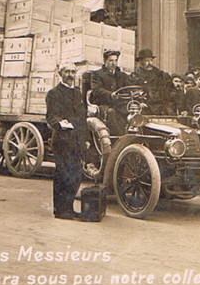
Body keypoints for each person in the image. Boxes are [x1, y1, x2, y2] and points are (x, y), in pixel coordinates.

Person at [46, 63, 89, 220]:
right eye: (67, 72)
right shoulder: (54, 94)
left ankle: (69, 208)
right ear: (60, 73)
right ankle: (60, 210)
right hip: (63, 140)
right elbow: (51, 116)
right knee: (63, 175)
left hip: (77, 140)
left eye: (72, 72)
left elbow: (83, 119)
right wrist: (60, 123)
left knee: (76, 175)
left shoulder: (77, 94)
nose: (70, 75)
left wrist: (86, 140)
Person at [89, 50, 134, 135]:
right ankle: (119, 138)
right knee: (111, 112)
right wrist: (110, 95)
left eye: (115, 60)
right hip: (104, 104)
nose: (114, 63)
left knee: (134, 111)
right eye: (111, 60)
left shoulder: (122, 75)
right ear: (105, 61)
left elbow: (129, 88)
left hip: (120, 104)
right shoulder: (97, 74)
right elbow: (97, 90)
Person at [131, 48, 175, 115]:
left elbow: (169, 91)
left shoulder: (160, 75)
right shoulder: (135, 76)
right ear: (140, 61)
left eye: (151, 60)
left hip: (160, 107)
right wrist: (139, 102)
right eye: (146, 60)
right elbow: (133, 92)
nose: (149, 63)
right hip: (144, 106)